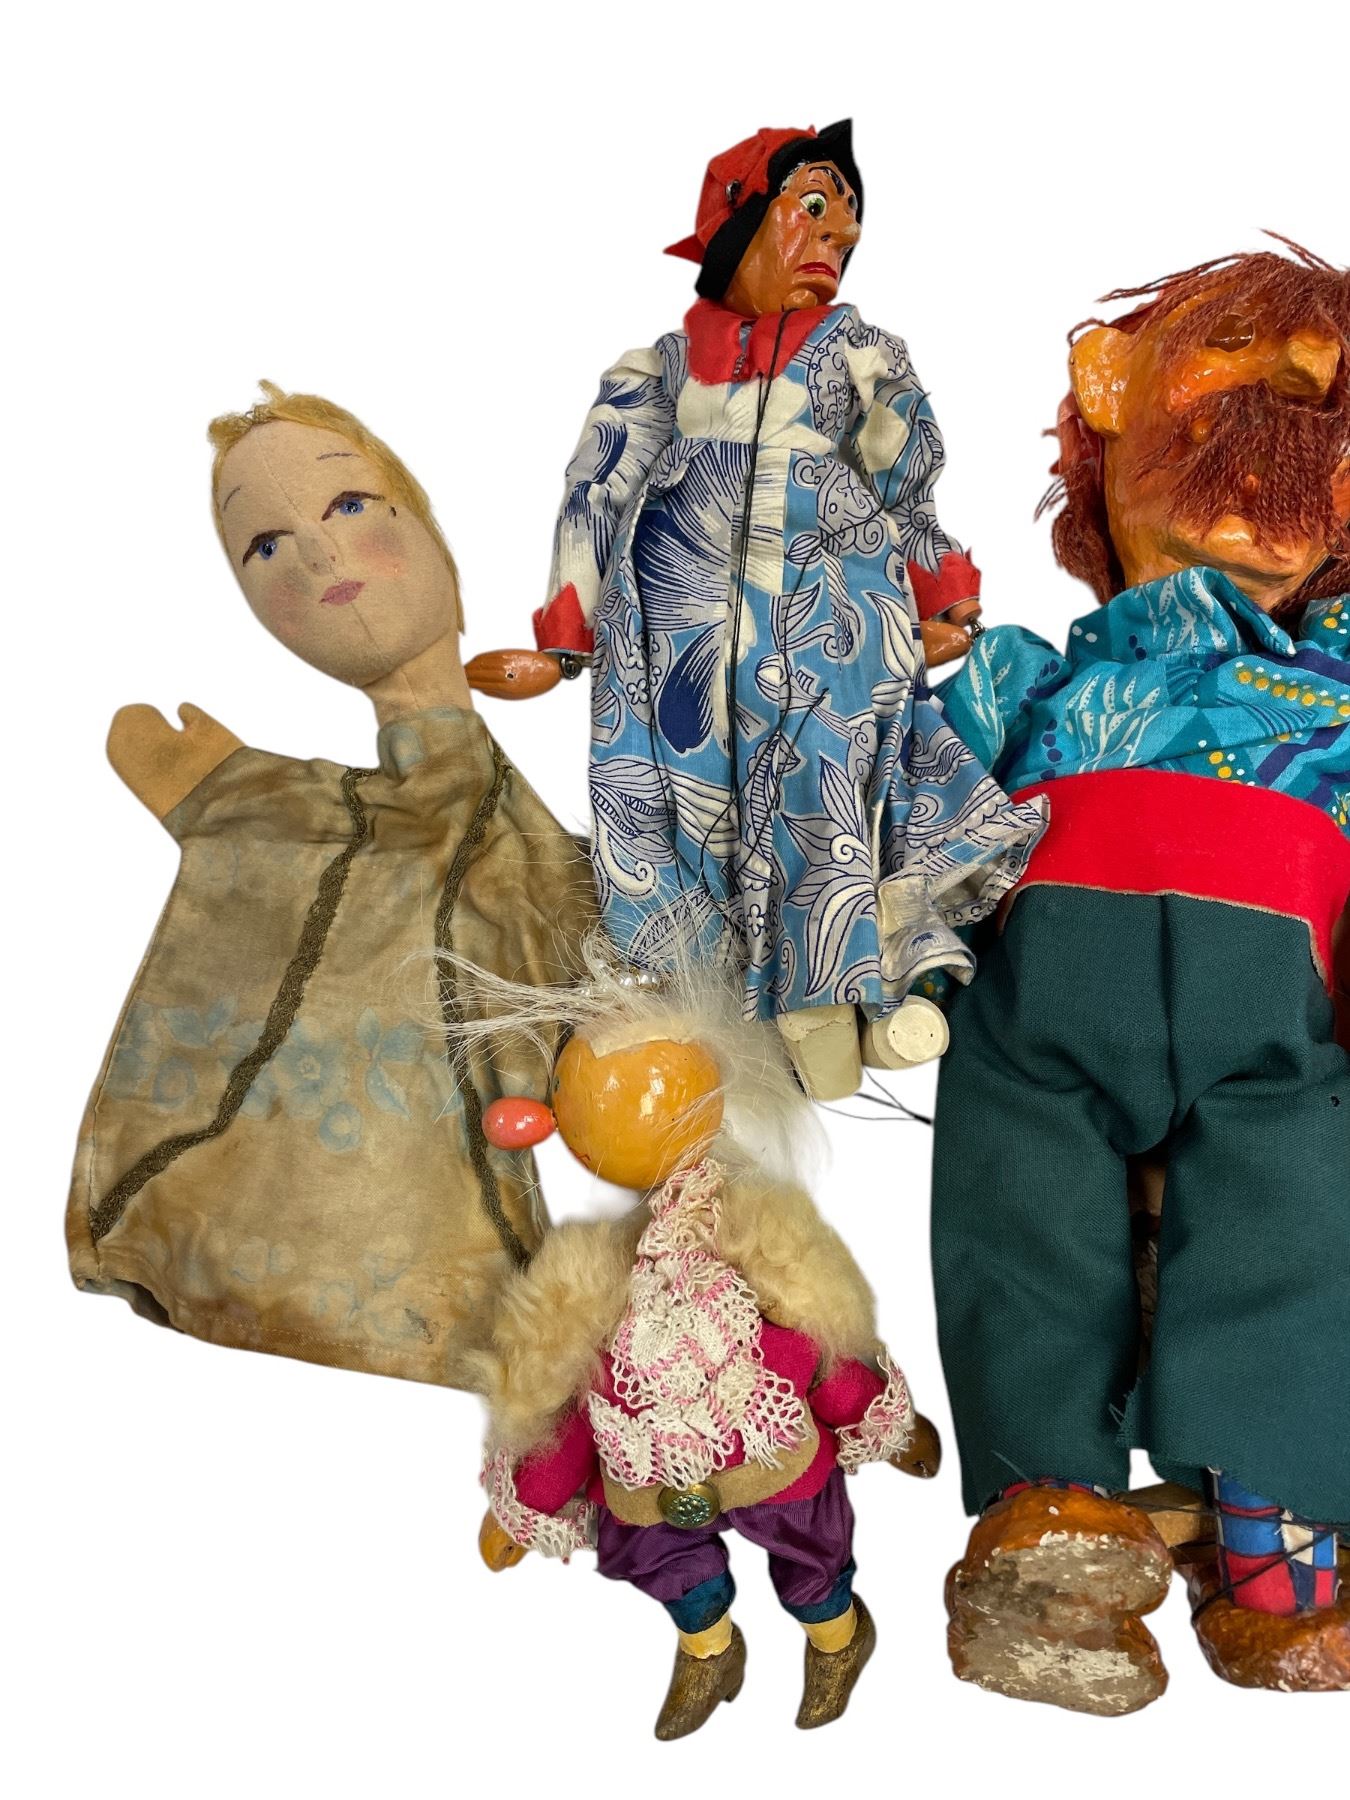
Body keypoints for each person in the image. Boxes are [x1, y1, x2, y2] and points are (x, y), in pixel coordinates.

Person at [933, 244, 1350, 1709]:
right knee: (1013, 1208)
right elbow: (919, 812)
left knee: (1297, 1219)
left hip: (1276, 1018)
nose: (1246, 515)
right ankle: (1045, 1516)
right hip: (1041, 997)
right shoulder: (1025, 680)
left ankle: (1277, 1526)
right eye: (1217, 453)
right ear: (1104, 396)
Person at [68, 385, 594, 1389]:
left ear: (432, 539)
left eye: (349, 505)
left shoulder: (536, 849)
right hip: (207, 1254)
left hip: (458, 1301)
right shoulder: (275, 808)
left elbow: (591, 932)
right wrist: (222, 788)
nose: (313, 553)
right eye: (264, 546)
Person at [532, 121, 1045, 1100]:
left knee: (835, 781)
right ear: (733, 219)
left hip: (830, 613)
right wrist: (564, 634)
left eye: (845, 235)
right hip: (676, 633)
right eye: (810, 211)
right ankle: (740, 1023)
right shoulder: (659, 371)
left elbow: (908, 486)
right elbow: (595, 488)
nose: (831, 245)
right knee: (682, 803)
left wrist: (946, 596)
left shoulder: (862, 355)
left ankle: (868, 1001)